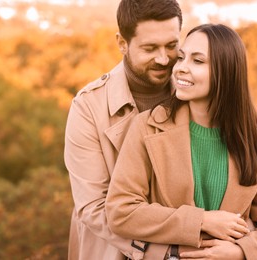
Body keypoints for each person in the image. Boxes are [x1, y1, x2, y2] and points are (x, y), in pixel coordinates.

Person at [106, 23, 257, 260]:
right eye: (181, 58)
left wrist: (241, 251)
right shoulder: (147, 127)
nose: (180, 68)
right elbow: (121, 212)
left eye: (197, 61)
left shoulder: (254, 143)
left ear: (225, 72)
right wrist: (202, 220)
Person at [64, 0, 184, 259]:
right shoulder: (88, 107)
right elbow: (94, 206)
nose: (164, 59)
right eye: (150, 48)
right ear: (122, 43)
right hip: (114, 251)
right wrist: (164, 252)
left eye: (172, 46)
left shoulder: (197, 95)